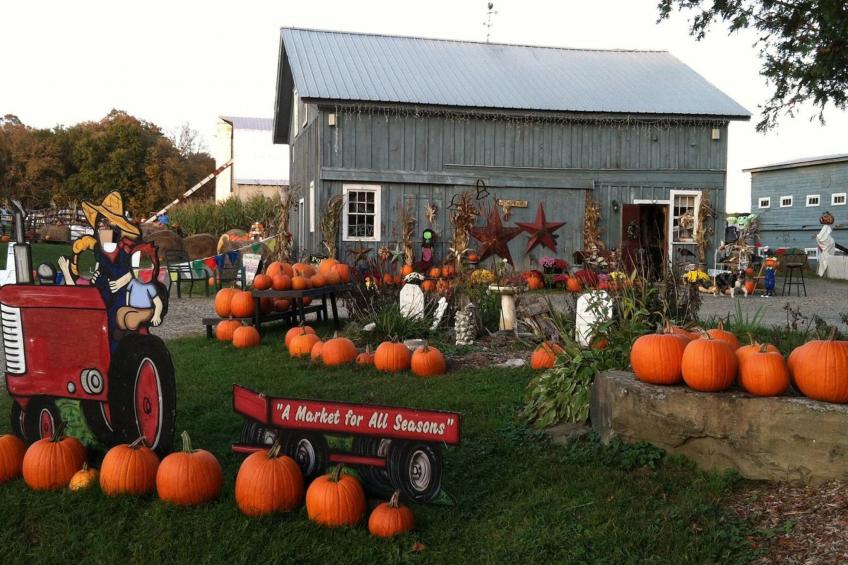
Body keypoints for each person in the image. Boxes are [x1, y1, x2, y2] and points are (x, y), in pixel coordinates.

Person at [58, 191, 141, 350]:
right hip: (101, 292)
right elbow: (97, 271)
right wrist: (76, 273)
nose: (102, 227)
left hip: (120, 294)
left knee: (115, 326)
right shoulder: (100, 251)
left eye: (105, 223)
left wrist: (120, 282)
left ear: (115, 226)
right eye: (99, 224)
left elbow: (136, 272)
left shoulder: (128, 248)